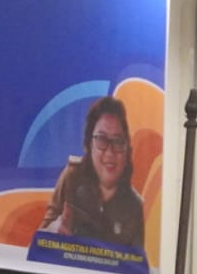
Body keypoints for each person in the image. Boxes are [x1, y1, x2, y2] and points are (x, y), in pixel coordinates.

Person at [38, 95, 145, 250]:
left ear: (126, 149)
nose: (110, 152)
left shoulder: (134, 206)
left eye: (118, 141)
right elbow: (38, 243)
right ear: (89, 144)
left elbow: (136, 262)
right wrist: (54, 230)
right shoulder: (72, 177)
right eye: (101, 139)